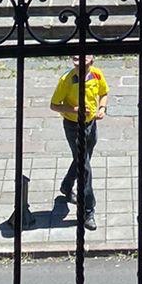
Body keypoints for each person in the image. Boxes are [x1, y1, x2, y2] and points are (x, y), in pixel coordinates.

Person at [50, 53, 108, 230]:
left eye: (83, 64)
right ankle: (88, 211)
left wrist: (102, 108)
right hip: (73, 126)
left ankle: (67, 186)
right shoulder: (66, 80)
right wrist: (74, 109)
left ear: (92, 62)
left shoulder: (97, 74)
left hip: (91, 125)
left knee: (82, 159)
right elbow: (54, 105)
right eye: (76, 63)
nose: (79, 67)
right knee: (85, 169)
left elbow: (104, 92)